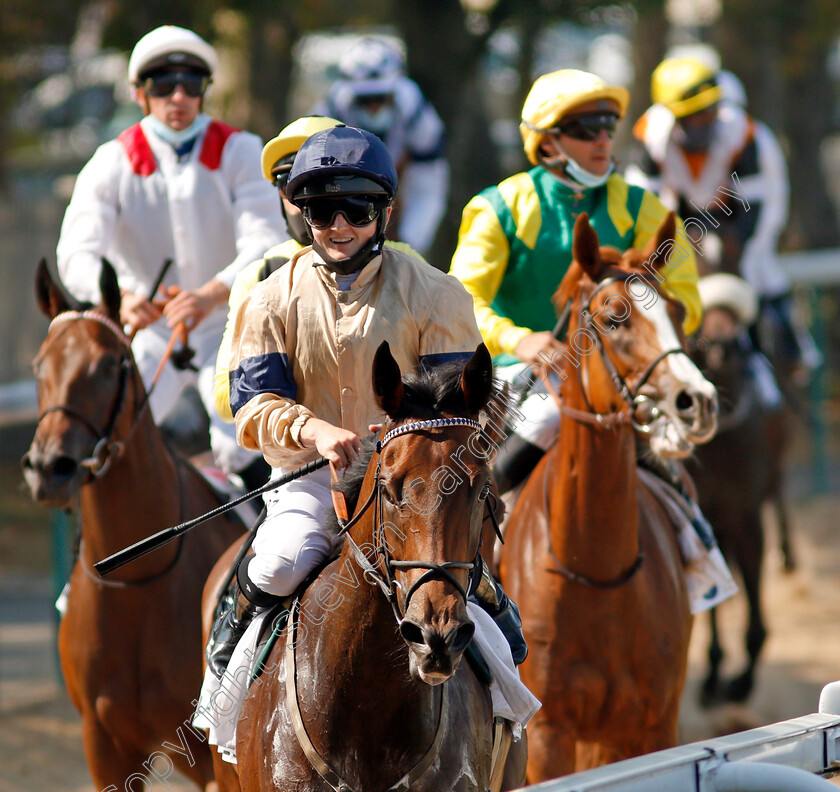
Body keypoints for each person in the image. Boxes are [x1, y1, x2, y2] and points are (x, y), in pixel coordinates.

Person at [205, 125, 527, 677]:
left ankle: (505, 709)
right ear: (303, 214)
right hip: (308, 476)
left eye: (357, 209)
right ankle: (227, 680)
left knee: (464, 581)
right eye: (323, 211)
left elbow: (459, 411)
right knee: (282, 565)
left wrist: (400, 445)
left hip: (416, 482)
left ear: (384, 212)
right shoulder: (266, 298)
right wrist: (316, 433)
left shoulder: (436, 292)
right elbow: (253, 406)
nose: (339, 226)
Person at [449, 69, 703, 494]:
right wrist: (518, 340)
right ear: (548, 142)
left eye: (608, 127)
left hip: (628, 375)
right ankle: (485, 515)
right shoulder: (499, 208)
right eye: (586, 130)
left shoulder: (646, 208)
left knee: (684, 450)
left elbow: (685, 300)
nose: (603, 140)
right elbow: (459, 302)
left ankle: (701, 551)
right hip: (519, 373)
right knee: (550, 412)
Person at [56, 25, 284, 489]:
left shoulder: (241, 149)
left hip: (229, 325)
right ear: (140, 94)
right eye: (162, 85)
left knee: (244, 440)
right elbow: (76, 253)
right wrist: (119, 298)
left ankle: (269, 549)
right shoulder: (111, 161)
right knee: (105, 435)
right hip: (153, 330)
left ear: (205, 92)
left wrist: (211, 294)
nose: (177, 97)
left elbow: (266, 240)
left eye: (191, 85)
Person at [213, 115, 426, 424]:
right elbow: (224, 396)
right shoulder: (260, 276)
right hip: (303, 454)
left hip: (394, 447)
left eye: (324, 185)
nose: (306, 199)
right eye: (291, 185)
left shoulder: (409, 264)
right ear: (280, 193)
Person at [626, 56, 820, 382]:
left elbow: (755, 205)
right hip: (686, 212)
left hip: (743, 210)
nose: (707, 120)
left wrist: (736, 255)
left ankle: (788, 353)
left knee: (756, 267)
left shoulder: (742, 134)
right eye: (695, 115)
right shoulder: (650, 136)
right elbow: (641, 206)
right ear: (671, 115)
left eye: (710, 110)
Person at [312, 36, 448, 256]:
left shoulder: (417, 113)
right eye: (365, 99)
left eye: (380, 97)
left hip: (401, 187)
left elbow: (428, 188)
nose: (373, 106)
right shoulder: (330, 111)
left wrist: (411, 245)